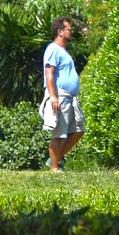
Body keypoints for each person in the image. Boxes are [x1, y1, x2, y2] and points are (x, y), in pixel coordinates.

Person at [39, 16, 84, 172]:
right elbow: (49, 73)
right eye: (68, 29)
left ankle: (54, 160)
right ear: (60, 31)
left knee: (79, 130)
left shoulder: (64, 51)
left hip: (71, 98)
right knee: (59, 133)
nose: (71, 32)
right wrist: (53, 96)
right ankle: (54, 168)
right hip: (60, 95)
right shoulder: (53, 49)